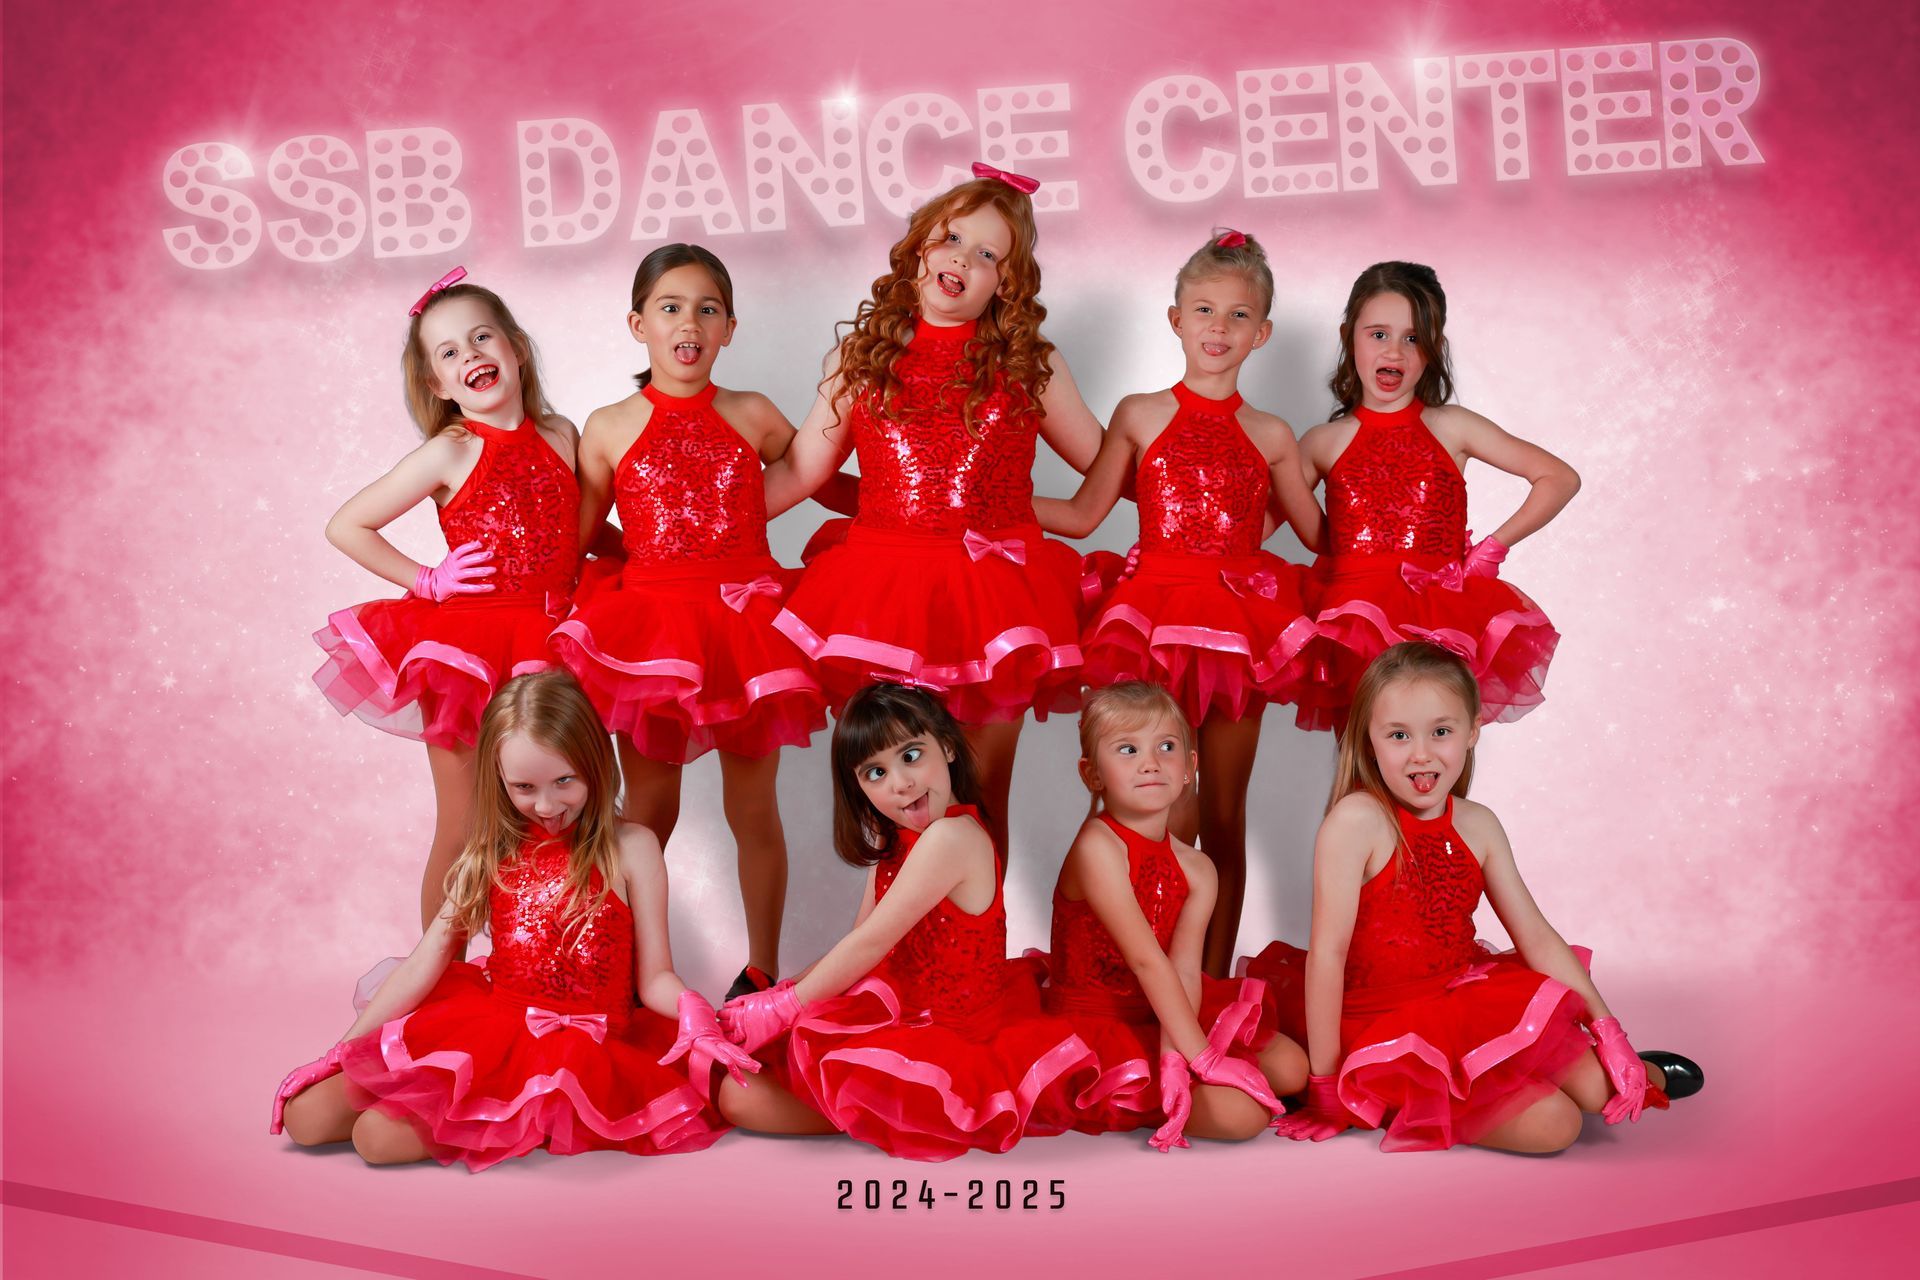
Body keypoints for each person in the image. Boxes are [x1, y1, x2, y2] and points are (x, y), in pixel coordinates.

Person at [759, 163, 1107, 854]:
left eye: (988, 255)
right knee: (903, 797)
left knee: (980, 793)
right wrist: (703, 531)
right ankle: (908, 953)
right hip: (884, 596)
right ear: (920, 244)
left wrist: (1009, 506)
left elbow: (1108, 462)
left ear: (1005, 283)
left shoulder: (1029, 362)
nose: (962, 259)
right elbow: (803, 468)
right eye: (952, 237)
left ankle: (980, 951)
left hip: (1000, 597)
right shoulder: (860, 358)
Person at [272, 670, 748, 1170]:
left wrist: (695, 1010)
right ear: (499, 778)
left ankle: (537, 1111)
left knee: (375, 1139)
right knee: (306, 1120)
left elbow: (654, 979)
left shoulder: (633, 848)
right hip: (491, 1023)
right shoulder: (494, 848)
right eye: (525, 787)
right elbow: (424, 962)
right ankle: (466, 1105)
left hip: (582, 1046)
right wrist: (339, 1051)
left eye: (565, 781)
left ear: (596, 764)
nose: (546, 806)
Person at [1251, 642, 1700, 1152]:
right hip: (1381, 1023)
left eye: (1440, 732)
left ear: (1471, 733)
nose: (1421, 753)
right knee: (1557, 1127)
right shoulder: (1356, 822)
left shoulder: (1478, 824)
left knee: (1599, 1090)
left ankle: (1637, 1068)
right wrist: (1326, 1085)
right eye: (1399, 735)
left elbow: (1536, 936)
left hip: (1463, 1000)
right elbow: (1327, 958)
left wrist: (1607, 1026)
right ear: (1370, 741)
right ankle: (1494, 1090)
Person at [1036, 229, 1325, 973]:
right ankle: (1129, 976)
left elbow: (1321, 536)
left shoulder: (1273, 435)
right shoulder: (1139, 413)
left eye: (1236, 316)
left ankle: (1212, 983)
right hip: (1153, 620)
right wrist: (985, 507)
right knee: (1148, 809)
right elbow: (1082, 514)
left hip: (1237, 629)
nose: (1217, 329)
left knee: (1222, 810)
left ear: (1261, 332)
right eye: (1203, 310)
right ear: (1175, 318)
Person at [551, 244, 829, 1000]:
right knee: (647, 814)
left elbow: (825, 476)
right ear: (638, 323)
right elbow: (575, 539)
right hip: (652, 641)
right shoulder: (608, 426)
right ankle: (631, 968)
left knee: (752, 808)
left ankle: (762, 968)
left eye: (709, 308)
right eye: (671, 307)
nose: (690, 322)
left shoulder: (753, 414)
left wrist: (907, 517)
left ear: (731, 327)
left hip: (745, 629)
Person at [715, 683, 1097, 1161]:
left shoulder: (953, 836)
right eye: (876, 772)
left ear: (949, 747)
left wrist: (782, 1008)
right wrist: (783, 992)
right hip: (899, 1008)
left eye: (911, 756)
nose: (900, 784)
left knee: (739, 1096)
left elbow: (871, 944)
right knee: (743, 1074)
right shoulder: (895, 838)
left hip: (950, 1037)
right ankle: (861, 1102)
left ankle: (880, 1110)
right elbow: (856, 940)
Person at [313, 269, 588, 926]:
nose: (471, 357)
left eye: (481, 338)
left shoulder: (562, 436)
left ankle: (542, 956)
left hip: (549, 645)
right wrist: (425, 580)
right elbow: (346, 525)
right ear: (437, 384)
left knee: (554, 821)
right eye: (449, 352)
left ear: (516, 347)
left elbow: (573, 530)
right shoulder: (450, 450)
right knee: (466, 827)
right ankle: (438, 975)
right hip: (469, 652)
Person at [1293, 262, 1575, 731]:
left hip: (1438, 620)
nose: (1396, 352)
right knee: (1363, 764)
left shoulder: (1451, 426)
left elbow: (1558, 477)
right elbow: (1255, 524)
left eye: (1413, 337)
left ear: (1434, 348)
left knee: (1436, 759)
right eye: (1378, 334)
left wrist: (1492, 550)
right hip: (1352, 624)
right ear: (1349, 336)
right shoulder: (1321, 442)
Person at [1035, 682, 1307, 1148]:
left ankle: (1171, 1076)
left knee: (1294, 1068)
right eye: (1128, 749)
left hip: (1163, 1012)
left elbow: (1183, 969)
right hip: (1097, 1021)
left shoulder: (1198, 869)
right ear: (1092, 773)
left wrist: (1174, 1058)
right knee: (1244, 1120)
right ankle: (1135, 1093)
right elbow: (1146, 961)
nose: (1150, 762)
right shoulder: (1097, 846)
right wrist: (1201, 1058)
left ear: (1189, 768)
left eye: (1166, 747)